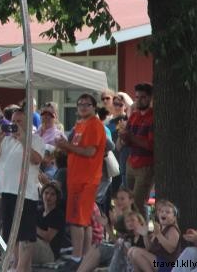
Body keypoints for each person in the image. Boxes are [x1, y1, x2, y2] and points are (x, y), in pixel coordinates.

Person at [0, 107, 45, 272]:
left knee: (25, 237)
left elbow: (36, 160)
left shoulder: (35, 140)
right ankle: (18, 267)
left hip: (25, 194)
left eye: (19, 121)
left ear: (28, 123)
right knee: (11, 235)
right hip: (6, 191)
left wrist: (23, 140)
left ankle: (19, 269)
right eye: (13, 121)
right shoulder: (6, 140)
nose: (15, 124)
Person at [56, 93, 107, 264]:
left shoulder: (94, 125)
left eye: (87, 104)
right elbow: (76, 149)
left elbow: (90, 152)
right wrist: (64, 147)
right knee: (83, 221)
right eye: (80, 104)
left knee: (77, 220)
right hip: (76, 178)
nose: (83, 107)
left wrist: (66, 146)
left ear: (94, 107)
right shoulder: (80, 125)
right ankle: (84, 258)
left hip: (87, 179)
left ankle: (77, 258)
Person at [120, 83, 154, 217]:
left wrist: (131, 137)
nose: (139, 100)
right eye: (137, 97)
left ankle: (142, 235)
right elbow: (127, 140)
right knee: (129, 202)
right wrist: (124, 137)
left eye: (143, 97)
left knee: (139, 202)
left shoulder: (153, 118)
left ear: (150, 98)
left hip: (145, 165)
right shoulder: (133, 116)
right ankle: (132, 233)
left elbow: (150, 145)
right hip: (131, 162)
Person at [127, 199, 182, 272]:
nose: (164, 213)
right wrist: (145, 235)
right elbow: (149, 248)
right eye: (161, 211)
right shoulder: (159, 229)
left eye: (168, 212)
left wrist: (158, 234)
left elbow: (171, 249)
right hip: (157, 261)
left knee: (136, 252)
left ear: (174, 217)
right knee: (131, 251)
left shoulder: (172, 230)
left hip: (168, 265)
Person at [34, 182, 67, 264]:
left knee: (27, 240)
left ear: (57, 197)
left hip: (50, 253)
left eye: (52, 194)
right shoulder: (39, 211)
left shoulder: (58, 215)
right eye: (46, 193)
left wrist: (32, 227)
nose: (48, 196)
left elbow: (48, 237)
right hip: (37, 245)